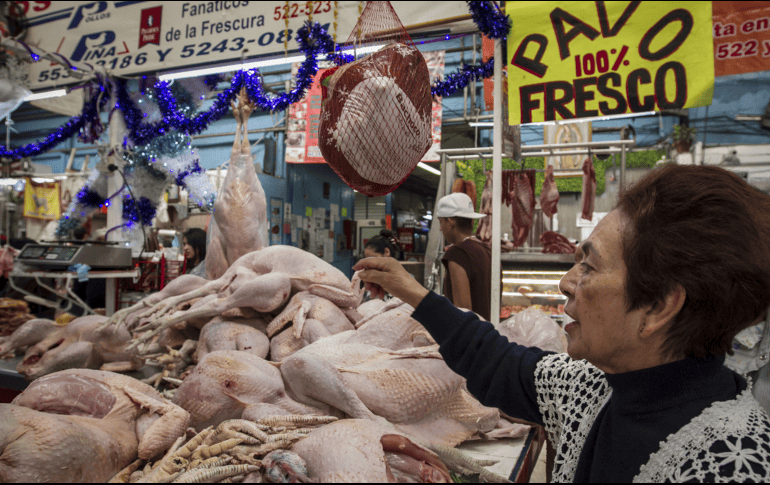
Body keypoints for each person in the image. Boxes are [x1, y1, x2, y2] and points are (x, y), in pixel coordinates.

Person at [355, 164, 770, 482]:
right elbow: (497, 361)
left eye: (589, 266)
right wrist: (414, 293)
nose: (566, 282)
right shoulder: (593, 387)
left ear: (658, 307)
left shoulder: (732, 464)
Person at [435, 192, 492, 320]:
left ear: (450, 222)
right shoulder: (486, 249)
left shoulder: (457, 253)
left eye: (440, 222)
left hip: (471, 332)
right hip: (489, 329)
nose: (440, 228)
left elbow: (463, 311)